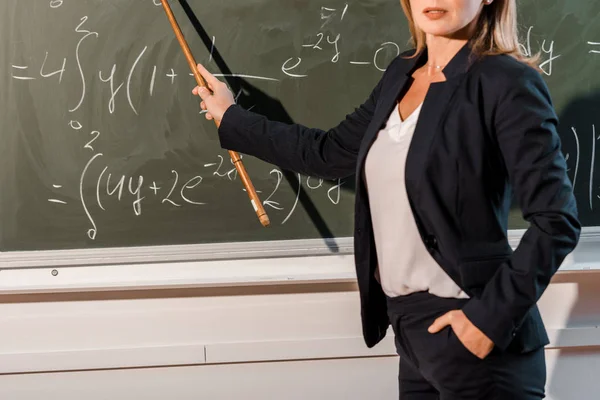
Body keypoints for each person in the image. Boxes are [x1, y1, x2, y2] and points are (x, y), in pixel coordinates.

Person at [192, 0, 580, 398]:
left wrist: (486, 322)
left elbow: (557, 220)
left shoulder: (505, 82)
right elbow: (327, 154)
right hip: (411, 334)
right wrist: (232, 117)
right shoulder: (401, 73)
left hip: (476, 335)